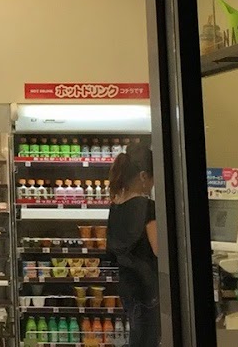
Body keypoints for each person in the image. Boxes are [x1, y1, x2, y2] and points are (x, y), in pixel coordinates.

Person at [106, 147, 159, 347]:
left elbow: (111, 251)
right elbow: (158, 250)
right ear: (144, 176)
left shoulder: (116, 206)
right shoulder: (148, 207)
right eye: (153, 179)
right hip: (148, 286)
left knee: (137, 336)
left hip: (127, 285)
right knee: (148, 339)